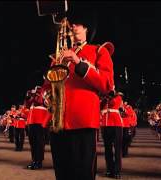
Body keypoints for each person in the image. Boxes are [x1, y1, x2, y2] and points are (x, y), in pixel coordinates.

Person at [48, 10, 114, 180]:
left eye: (77, 23)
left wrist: (77, 62)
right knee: (62, 174)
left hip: (83, 123)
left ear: (87, 28)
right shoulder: (60, 54)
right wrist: (48, 95)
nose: (73, 26)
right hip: (59, 122)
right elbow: (49, 85)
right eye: (71, 24)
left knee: (83, 174)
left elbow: (106, 84)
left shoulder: (98, 50)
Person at [100, 91, 123, 179]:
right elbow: (100, 106)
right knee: (107, 149)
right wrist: (105, 98)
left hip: (116, 125)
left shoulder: (118, 97)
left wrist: (109, 96)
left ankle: (117, 171)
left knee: (117, 149)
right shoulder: (104, 98)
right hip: (105, 125)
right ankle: (109, 169)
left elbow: (114, 103)